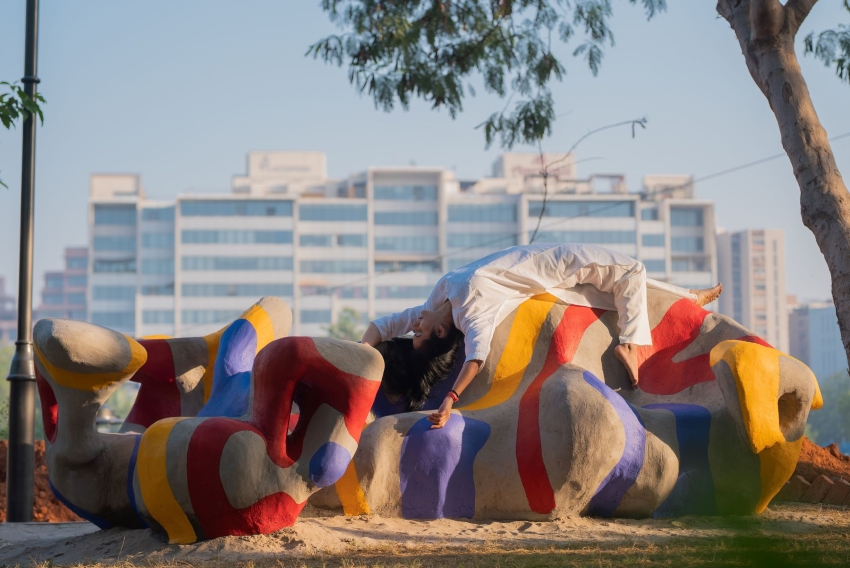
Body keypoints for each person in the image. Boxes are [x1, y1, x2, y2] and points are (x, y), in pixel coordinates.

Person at [360, 244, 722, 429]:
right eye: (419, 333)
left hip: (540, 267)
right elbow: (477, 355)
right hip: (551, 263)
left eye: (415, 331)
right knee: (631, 269)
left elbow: (383, 325)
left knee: (613, 286)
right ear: (440, 332)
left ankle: (688, 298)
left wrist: (359, 357)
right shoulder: (471, 311)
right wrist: (450, 399)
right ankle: (630, 343)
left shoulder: (435, 301)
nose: (414, 326)